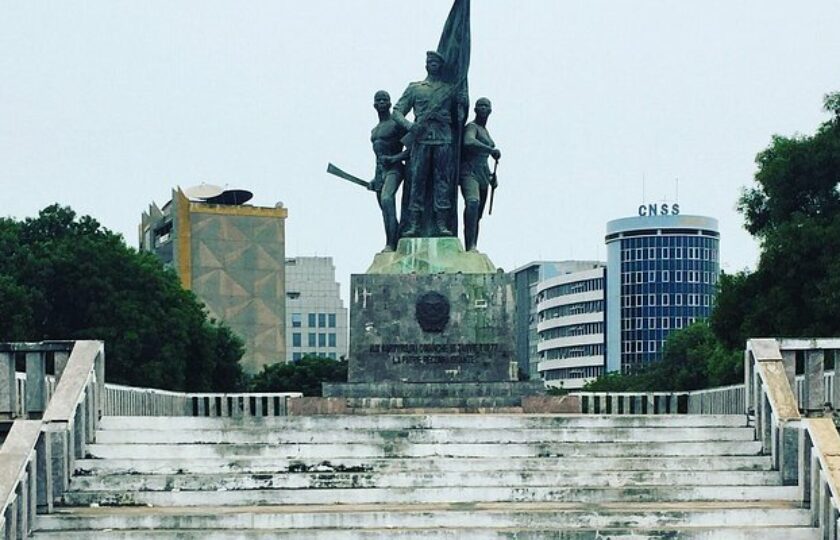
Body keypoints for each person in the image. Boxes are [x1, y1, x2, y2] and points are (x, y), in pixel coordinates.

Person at [392, 50, 467, 237]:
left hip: (444, 138)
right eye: (430, 62)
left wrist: (461, 103)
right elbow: (397, 112)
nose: (433, 65)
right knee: (417, 181)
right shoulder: (415, 88)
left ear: (440, 66)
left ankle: (442, 223)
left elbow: (460, 116)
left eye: (436, 62)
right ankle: (414, 224)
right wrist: (410, 126)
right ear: (426, 65)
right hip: (420, 139)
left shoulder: (449, 89)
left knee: (443, 182)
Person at [459, 97, 501, 251]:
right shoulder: (472, 127)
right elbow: (468, 141)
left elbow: (483, 160)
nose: (483, 109)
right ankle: (469, 246)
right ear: (475, 110)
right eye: (480, 106)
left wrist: (491, 176)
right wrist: (490, 150)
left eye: (486, 106)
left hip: (483, 175)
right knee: (472, 203)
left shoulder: (485, 131)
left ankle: (473, 245)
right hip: (469, 173)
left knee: (477, 216)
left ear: (490, 111)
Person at [369, 90, 408, 251]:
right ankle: (395, 239)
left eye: (385, 100)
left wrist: (395, 159)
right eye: (379, 100)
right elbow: (377, 157)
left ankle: (391, 244)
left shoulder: (396, 124)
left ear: (390, 104)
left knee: (387, 199)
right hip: (380, 172)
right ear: (374, 105)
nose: (382, 103)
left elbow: (413, 148)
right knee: (385, 209)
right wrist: (374, 178)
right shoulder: (375, 130)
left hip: (395, 168)